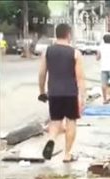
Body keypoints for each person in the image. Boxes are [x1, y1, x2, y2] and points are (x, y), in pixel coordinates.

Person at [38, 23, 85, 163]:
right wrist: (82, 96)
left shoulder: (47, 52)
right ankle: (67, 154)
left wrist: (42, 91)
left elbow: (41, 74)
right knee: (71, 122)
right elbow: (80, 78)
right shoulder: (75, 53)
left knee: (55, 121)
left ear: (56, 34)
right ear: (68, 35)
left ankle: (51, 139)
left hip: (54, 93)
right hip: (71, 93)